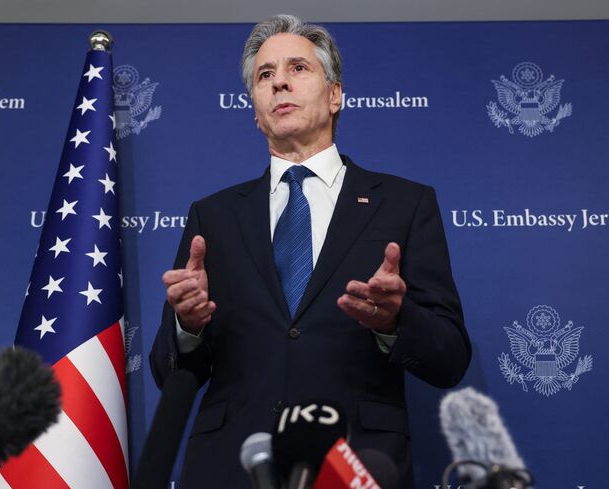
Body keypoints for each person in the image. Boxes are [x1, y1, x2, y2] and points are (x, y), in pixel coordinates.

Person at [149, 14, 471, 489]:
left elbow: (450, 357)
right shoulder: (212, 217)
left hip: (356, 464)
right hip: (231, 468)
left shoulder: (404, 204)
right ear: (255, 110)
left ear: (335, 94)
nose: (279, 81)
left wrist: (395, 322)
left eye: (298, 68)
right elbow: (170, 372)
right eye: (265, 75)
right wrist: (187, 327)